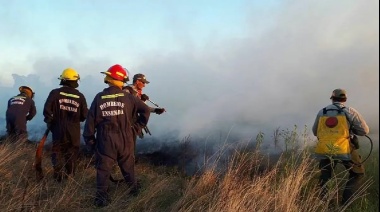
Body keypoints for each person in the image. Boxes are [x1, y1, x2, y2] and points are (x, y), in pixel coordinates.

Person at [83, 64, 150, 207]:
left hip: (105, 141)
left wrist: (91, 144)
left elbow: (89, 123)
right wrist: (136, 128)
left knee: (103, 170)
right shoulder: (129, 97)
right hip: (126, 139)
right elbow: (145, 111)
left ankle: (101, 199)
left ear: (108, 78)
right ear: (122, 80)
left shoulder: (99, 98)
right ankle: (134, 191)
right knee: (128, 167)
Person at [312, 88, 369, 206]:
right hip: (345, 148)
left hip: (325, 149)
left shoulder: (322, 112)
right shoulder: (350, 111)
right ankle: (346, 204)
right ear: (345, 99)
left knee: (326, 176)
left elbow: (315, 132)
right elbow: (364, 131)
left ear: (332, 99)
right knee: (357, 173)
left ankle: (327, 205)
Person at [43, 68, 88, 182]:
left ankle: (58, 177)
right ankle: (70, 177)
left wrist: (51, 123)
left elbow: (47, 111)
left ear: (63, 80)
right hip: (73, 129)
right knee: (72, 153)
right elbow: (84, 115)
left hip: (58, 127)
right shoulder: (80, 96)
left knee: (57, 151)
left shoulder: (55, 93)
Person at [123, 73, 165, 141]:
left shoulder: (137, 93)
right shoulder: (127, 91)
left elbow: (142, 108)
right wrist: (141, 100)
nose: (144, 85)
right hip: (127, 125)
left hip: (132, 124)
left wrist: (156, 110)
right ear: (137, 81)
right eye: (143, 82)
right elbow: (127, 106)